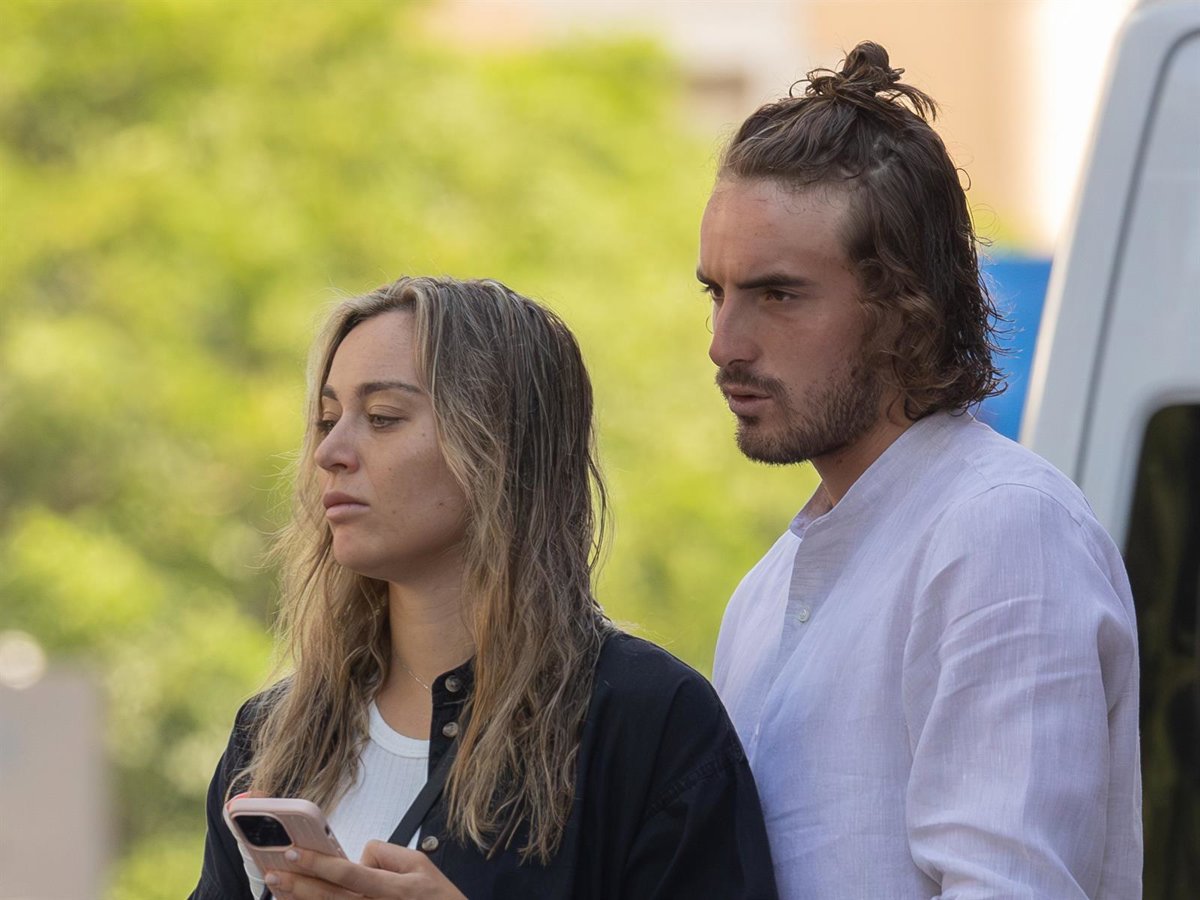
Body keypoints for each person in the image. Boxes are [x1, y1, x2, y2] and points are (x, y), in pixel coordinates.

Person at [699, 42, 1142, 899]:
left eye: (777, 293)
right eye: (716, 293)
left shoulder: (1003, 531)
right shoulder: (766, 590)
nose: (725, 344)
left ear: (906, 307)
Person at [191, 276, 778, 899]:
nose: (329, 452)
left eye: (383, 418)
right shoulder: (273, 733)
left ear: (501, 445)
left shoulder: (647, 720)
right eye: (327, 419)